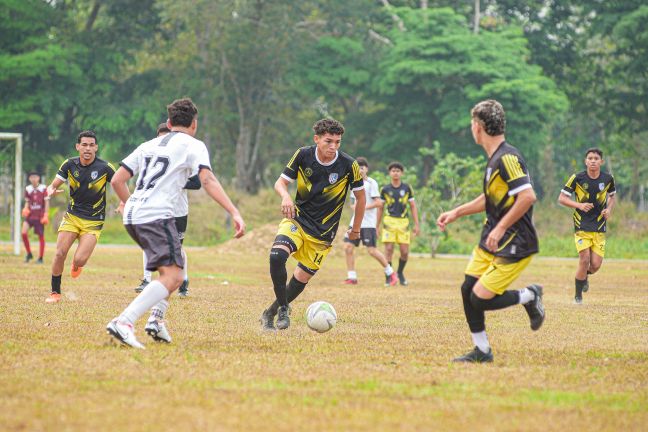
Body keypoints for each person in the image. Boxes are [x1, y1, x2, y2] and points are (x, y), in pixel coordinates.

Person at [107, 98, 245, 348]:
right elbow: (208, 180)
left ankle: (156, 321)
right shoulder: (194, 145)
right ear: (194, 124)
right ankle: (124, 322)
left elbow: (117, 180)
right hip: (156, 215)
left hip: (133, 214)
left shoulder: (147, 144)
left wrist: (134, 203)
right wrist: (234, 211)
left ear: (169, 123)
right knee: (174, 276)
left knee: (170, 272)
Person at [436, 99, 545, 363]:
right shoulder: (494, 158)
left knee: (480, 298)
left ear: (478, 126)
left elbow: (527, 197)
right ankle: (482, 350)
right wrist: (457, 212)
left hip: (514, 242)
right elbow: (492, 198)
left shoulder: (507, 158)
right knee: (467, 289)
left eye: (472, 123)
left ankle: (530, 296)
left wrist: (501, 227)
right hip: (492, 238)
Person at [260, 118, 365, 331]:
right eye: (328, 141)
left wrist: (356, 229)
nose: (333, 146)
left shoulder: (348, 165)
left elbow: (361, 199)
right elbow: (280, 182)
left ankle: (269, 312)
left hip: (323, 234)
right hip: (298, 220)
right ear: (316, 139)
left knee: (300, 278)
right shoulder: (303, 155)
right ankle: (283, 308)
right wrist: (286, 197)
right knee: (277, 256)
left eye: (338, 142)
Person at [45, 131, 116, 303]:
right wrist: (51, 190)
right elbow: (52, 185)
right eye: (84, 144)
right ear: (77, 147)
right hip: (72, 216)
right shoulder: (69, 165)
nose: (88, 148)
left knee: (80, 259)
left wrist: (123, 203)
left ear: (96, 148)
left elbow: (119, 183)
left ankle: (77, 264)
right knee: (60, 253)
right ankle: (55, 292)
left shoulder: (105, 167)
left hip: (94, 220)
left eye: (91, 145)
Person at [134, 122, 201, 297]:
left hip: (177, 209)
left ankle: (183, 280)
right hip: (154, 207)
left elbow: (197, 182)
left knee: (176, 249)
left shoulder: (182, 156)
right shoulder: (150, 154)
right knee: (147, 242)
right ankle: (147, 279)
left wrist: (173, 181)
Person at [558, 148, 616, 304]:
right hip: (581, 225)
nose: (593, 161)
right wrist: (579, 205)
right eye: (590, 158)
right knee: (584, 260)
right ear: (585, 161)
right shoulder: (577, 178)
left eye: (596, 158)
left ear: (601, 162)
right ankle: (578, 297)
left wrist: (608, 210)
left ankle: (584, 276)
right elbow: (562, 198)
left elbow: (612, 197)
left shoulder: (608, 179)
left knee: (595, 265)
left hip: (599, 226)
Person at [342, 157, 397, 286]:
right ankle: (352, 277)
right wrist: (354, 207)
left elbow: (378, 203)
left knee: (371, 250)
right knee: (348, 247)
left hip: (368, 223)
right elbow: (352, 203)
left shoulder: (371, 183)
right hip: (354, 222)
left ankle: (390, 273)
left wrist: (363, 207)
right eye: (357, 167)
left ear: (367, 169)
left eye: (362, 167)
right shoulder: (354, 183)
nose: (360, 170)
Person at [376, 162, 420, 286]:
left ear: (402, 173)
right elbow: (380, 208)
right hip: (389, 221)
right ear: (389, 173)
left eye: (398, 171)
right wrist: (377, 226)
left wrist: (417, 224)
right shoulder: (385, 189)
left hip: (403, 223)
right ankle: (389, 276)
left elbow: (413, 206)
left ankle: (400, 273)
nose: (395, 173)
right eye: (393, 170)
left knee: (404, 252)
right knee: (389, 249)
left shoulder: (407, 188)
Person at [22, 172, 49, 264]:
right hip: (30, 215)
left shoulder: (43, 188)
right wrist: (25, 208)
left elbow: (47, 202)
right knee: (23, 233)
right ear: (29, 178)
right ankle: (29, 253)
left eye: (35, 177)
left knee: (41, 236)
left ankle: (40, 257)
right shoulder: (28, 189)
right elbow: (27, 201)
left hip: (39, 216)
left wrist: (46, 214)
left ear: (38, 178)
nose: (34, 179)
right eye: (32, 177)